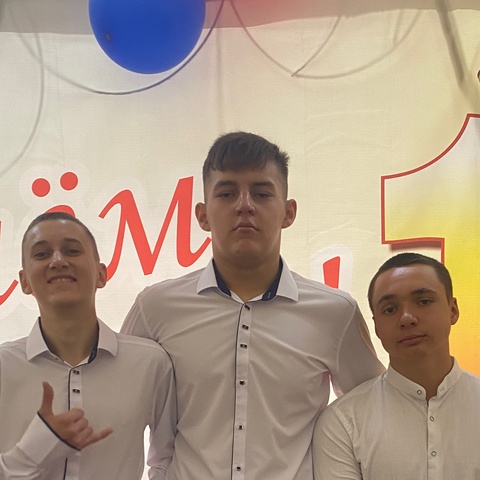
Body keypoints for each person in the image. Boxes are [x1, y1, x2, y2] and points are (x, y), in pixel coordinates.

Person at [121, 131, 384, 480]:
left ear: (289, 212)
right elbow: (115, 406)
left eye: (261, 193)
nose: (244, 205)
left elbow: (376, 412)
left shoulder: (335, 313)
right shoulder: (156, 308)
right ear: (202, 215)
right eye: (227, 193)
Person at [0, 212, 177, 480]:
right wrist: (30, 452)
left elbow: (168, 458)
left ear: (101, 274)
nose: (58, 261)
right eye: (42, 254)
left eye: (72, 250)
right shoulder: (3, 366)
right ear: (24, 281)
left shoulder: (150, 363)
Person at [313, 252, 480, 479]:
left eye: (423, 301)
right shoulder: (343, 422)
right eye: (390, 309)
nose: (407, 318)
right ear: (376, 327)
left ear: (453, 310)